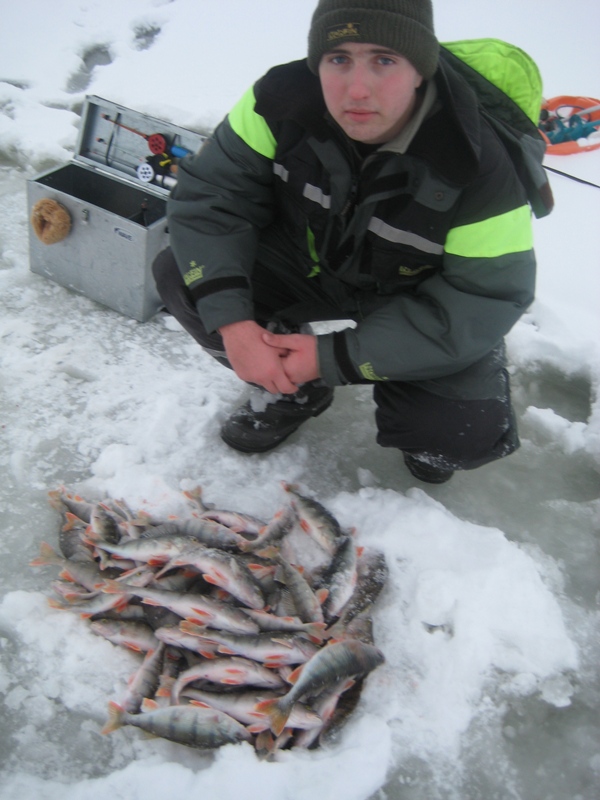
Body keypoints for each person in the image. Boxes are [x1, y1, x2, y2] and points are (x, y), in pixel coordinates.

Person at [153, 0, 542, 484]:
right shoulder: (275, 101)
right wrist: (234, 325)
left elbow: (480, 298)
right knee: (185, 276)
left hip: (415, 298)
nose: (357, 89)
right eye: (339, 58)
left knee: (453, 434)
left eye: (384, 60)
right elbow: (211, 200)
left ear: (420, 69)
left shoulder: (480, 163)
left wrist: (331, 357)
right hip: (308, 265)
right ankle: (291, 389)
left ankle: (422, 431)